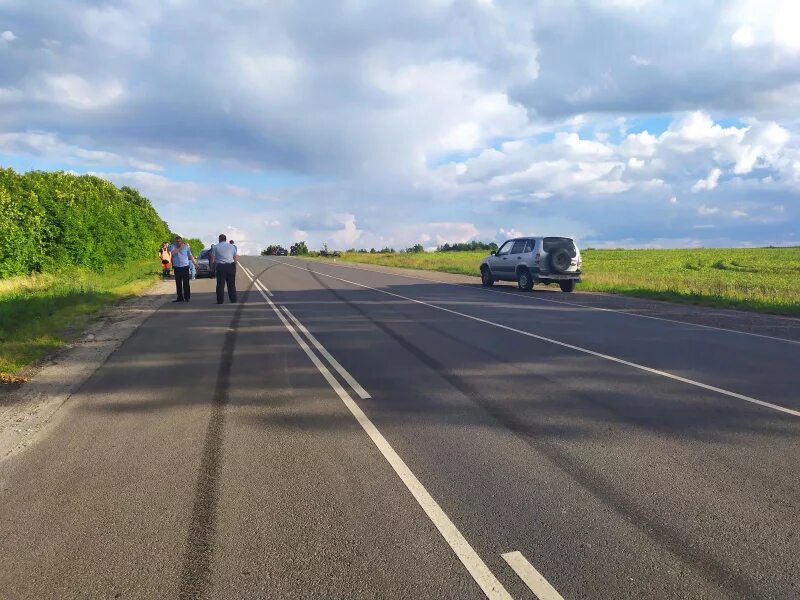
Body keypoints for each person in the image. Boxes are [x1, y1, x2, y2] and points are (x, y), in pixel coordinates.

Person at [211, 233, 238, 304]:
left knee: (220, 284)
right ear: (226, 239)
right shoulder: (232, 246)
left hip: (220, 267)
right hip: (230, 266)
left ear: (219, 239)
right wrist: (234, 266)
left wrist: (212, 267)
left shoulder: (216, 247)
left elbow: (213, 259)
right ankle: (233, 299)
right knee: (231, 284)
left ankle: (220, 300)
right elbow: (235, 257)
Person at [170, 236, 198, 303]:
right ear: (175, 241)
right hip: (177, 267)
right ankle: (180, 297)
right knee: (178, 283)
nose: (178, 243)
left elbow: (190, 256)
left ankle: (187, 297)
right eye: (177, 241)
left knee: (186, 283)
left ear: (181, 241)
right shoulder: (173, 246)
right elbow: (173, 253)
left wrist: (195, 264)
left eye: (179, 241)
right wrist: (180, 248)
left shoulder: (186, 247)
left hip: (185, 266)